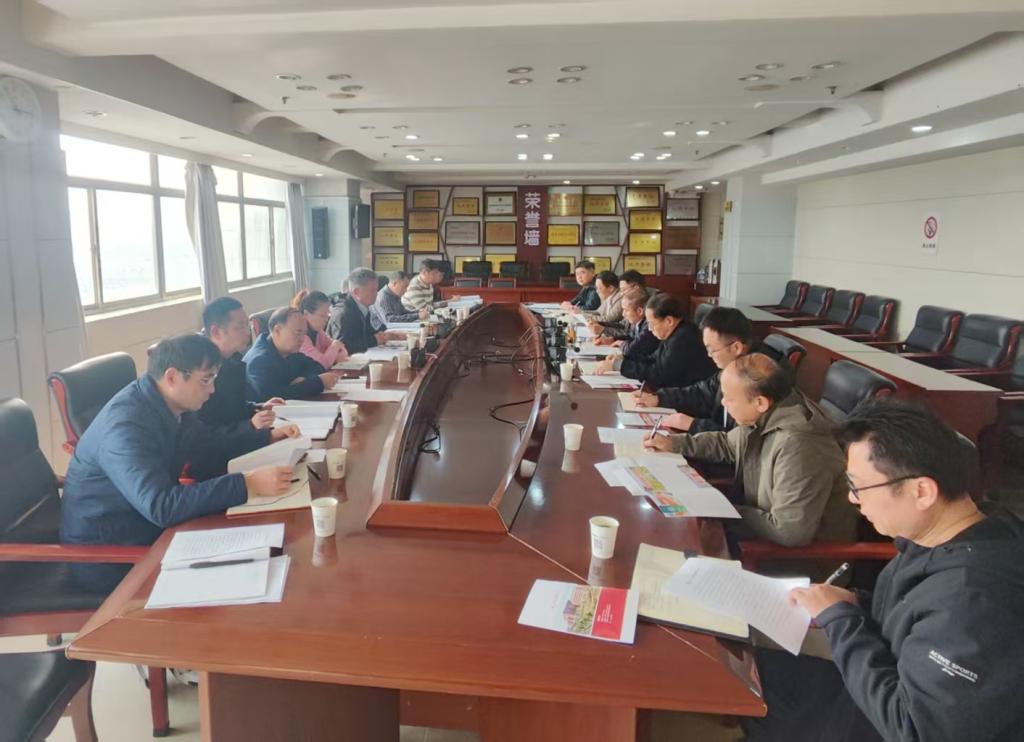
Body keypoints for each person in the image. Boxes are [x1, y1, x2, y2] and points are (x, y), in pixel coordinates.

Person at [745, 399, 1024, 742]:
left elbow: (913, 729)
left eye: (858, 486)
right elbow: (914, 616)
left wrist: (840, 619)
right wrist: (853, 603)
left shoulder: (976, 599)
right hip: (868, 686)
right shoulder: (959, 532)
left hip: (880, 720)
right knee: (742, 666)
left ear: (922, 491)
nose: (853, 499)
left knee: (736, 697)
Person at [61, 334, 301, 591]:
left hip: (146, 526)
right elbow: (161, 506)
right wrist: (247, 484)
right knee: (253, 577)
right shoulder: (125, 426)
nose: (212, 389)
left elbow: (206, 443)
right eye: (205, 380)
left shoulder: (169, 404)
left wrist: (265, 437)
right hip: (111, 556)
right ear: (172, 377)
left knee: (272, 549)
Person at [644, 353, 856, 546]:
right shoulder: (768, 413)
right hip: (757, 532)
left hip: (802, 561)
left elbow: (789, 532)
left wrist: (723, 510)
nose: (724, 403)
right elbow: (727, 444)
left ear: (760, 402)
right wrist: (673, 443)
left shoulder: (799, 445)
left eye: (729, 398)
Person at [634, 306, 756, 433]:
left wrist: (693, 424)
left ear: (736, 348)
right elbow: (701, 393)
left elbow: (738, 438)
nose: (709, 355)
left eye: (712, 350)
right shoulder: (730, 369)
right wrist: (659, 398)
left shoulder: (754, 380)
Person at [616, 292, 715, 388]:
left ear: (669, 321)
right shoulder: (675, 332)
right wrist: (624, 359)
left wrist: (620, 366)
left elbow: (659, 375)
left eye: (652, 323)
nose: (649, 329)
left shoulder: (684, 338)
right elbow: (654, 359)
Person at [245, 307, 338, 400]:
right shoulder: (259, 360)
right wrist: (318, 383)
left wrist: (303, 378)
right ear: (277, 331)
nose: (302, 339)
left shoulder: (288, 350)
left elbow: (317, 367)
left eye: (304, 334)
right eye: (298, 332)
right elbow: (274, 397)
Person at [327, 267, 396, 354]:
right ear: (356, 292)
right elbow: (343, 346)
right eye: (372, 290)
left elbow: (366, 334)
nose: (376, 294)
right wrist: (374, 340)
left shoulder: (363, 307)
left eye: (376, 289)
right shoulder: (344, 313)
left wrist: (382, 335)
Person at [591, 288, 659, 372]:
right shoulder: (637, 321)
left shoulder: (649, 326)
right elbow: (630, 337)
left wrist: (621, 344)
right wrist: (612, 339)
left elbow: (631, 349)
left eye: (626, 310)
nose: (623, 314)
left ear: (639, 311)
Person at [292, 289, 348, 370]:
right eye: (322, 316)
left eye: (327, 315)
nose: (326, 319)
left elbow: (343, 352)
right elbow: (321, 364)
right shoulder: (300, 337)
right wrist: (334, 346)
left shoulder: (318, 332)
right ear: (306, 314)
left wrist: (331, 355)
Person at [584, 271, 624, 335]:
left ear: (611, 288)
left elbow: (609, 319)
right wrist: (581, 313)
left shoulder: (621, 298)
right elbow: (598, 312)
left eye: (599, 288)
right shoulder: (609, 296)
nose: (597, 291)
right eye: (596, 288)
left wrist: (588, 317)